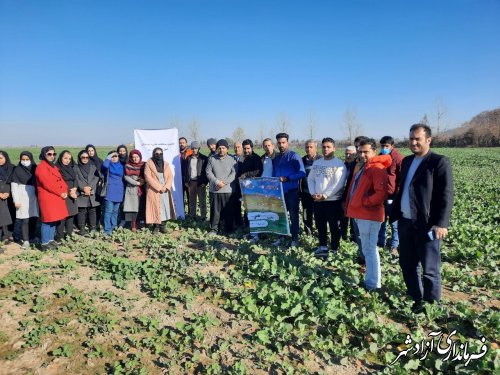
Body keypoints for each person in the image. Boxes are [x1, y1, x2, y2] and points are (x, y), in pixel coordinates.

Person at [391, 124, 454, 313]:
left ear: (428, 140)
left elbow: (446, 194)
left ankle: (432, 305)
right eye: (411, 138)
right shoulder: (408, 161)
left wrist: (441, 223)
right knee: (407, 264)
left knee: (430, 268)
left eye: (417, 138)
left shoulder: (438, 162)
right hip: (405, 221)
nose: (413, 142)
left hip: (426, 224)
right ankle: (415, 298)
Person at [345, 138, 391, 291]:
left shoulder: (377, 168)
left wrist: (365, 202)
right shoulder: (365, 167)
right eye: (360, 151)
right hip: (361, 213)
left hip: (369, 215)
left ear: (374, 152)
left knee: (370, 250)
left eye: (366, 152)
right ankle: (370, 281)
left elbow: (382, 193)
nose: (362, 154)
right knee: (367, 249)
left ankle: (373, 284)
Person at [307, 138, 347, 258]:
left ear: (334, 148)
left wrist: (325, 195)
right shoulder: (317, 163)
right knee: (320, 224)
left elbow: (338, 184)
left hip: (333, 201)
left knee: (334, 226)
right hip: (317, 201)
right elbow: (311, 179)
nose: (326, 149)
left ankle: (334, 248)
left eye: (328, 147)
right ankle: (323, 246)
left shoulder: (339, 164)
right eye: (324, 147)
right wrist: (313, 193)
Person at [272, 133, 306, 247]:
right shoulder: (276, 159)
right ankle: (281, 236)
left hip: (292, 192)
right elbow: (274, 175)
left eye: (283, 142)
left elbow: (302, 173)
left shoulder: (294, 156)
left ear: (287, 142)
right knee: (280, 215)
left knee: (293, 215)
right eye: (279, 143)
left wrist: (288, 178)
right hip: (279, 192)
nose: (281, 145)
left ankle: (294, 238)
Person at [35, 147, 69, 251]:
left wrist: (65, 191)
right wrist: (60, 192)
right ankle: (45, 243)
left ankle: (51, 240)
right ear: (44, 155)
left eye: (54, 154)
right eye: (49, 154)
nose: (52, 156)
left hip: (56, 197)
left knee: (54, 219)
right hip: (48, 197)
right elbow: (47, 184)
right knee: (47, 220)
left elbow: (61, 180)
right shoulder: (41, 167)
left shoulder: (53, 167)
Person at [377, 136, 404, 252]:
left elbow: (401, 177)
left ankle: (394, 245)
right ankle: (380, 243)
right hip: (381, 194)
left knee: (394, 222)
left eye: (386, 146)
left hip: (393, 195)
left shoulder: (398, 158)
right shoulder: (379, 157)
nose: (384, 148)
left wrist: (397, 193)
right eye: (382, 146)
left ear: (392, 146)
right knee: (381, 220)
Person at [206, 139, 237, 235]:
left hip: (228, 190)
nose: (221, 150)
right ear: (217, 149)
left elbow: (234, 173)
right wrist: (217, 182)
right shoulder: (212, 159)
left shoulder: (232, 159)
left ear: (227, 149)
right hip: (215, 190)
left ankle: (229, 230)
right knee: (215, 211)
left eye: (223, 148)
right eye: (219, 148)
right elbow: (208, 172)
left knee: (229, 211)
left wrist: (224, 183)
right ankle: (214, 229)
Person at [10, 151, 39, 249]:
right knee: (25, 219)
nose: (25, 161)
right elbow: (14, 186)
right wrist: (16, 200)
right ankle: (25, 240)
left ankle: (32, 237)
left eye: (27, 159)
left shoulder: (35, 168)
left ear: (31, 159)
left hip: (34, 197)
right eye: (23, 159)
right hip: (22, 197)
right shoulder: (17, 170)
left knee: (34, 218)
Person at [144, 148, 176, 234]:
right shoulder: (149, 163)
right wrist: (159, 187)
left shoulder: (165, 164)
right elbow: (148, 177)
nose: (159, 155)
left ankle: (163, 226)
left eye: (160, 154)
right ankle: (156, 227)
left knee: (165, 207)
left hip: (165, 189)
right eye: (156, 154)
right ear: (153, 154)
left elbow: (170, 176)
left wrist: (166, 186)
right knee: (155, 207)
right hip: (154, 189)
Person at [238, 139, 263, 238]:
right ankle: (251, 231)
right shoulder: (244, 158)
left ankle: (256, 234)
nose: (246, 150)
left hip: (254, 189)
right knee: (248, 210)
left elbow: (258, 171)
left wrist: (246, 174)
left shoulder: (256, 158)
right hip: (246, 188)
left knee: (254, 210)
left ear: (252, 148)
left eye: (248, 148)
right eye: (244, 148)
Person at [74, 150, 100, 235]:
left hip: (92, 192)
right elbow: (76, 179)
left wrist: (89, 187)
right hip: (81, 192)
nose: (85, 159)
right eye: (83, 157)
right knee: (81, 210)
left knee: (92, 210)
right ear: (79, 158)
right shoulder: (76, 168)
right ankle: (81, 228)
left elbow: (96, 178)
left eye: (87, 157)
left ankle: (92, 228)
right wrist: (83, 188)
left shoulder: (93, 167)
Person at [55, 150, 79, 240]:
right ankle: (59, 237)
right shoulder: (57, 168)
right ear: (61, 158)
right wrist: (69, 191)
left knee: (71, 215)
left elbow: (75, 179)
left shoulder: (71, 167)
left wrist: (75, 188)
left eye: (69, 158)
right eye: (65, 158)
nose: (67, 160)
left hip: (72, 194)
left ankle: (69, 235)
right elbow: (58, 183)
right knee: (62, 216)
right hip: (63, 195)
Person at [300, 140, 321, 235]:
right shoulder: (302, 160)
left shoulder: (321, 159)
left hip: (318, 192)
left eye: (311, 147)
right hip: (305, 191)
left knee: (318, 213)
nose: (308, 149)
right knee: (306, 212)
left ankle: (319, 231)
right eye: (307, 147)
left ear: (316, 148)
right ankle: (308, 231)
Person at [101, 151, 125, 235]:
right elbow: (104, 166)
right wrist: (108, 157)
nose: (114, 158)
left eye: (116, 156)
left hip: (119, 190)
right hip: (110, 190)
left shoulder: (121, 166)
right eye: (112, 156)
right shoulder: (108, 165)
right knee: (108, 211)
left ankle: (113, 226)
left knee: (115, 211)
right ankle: (107, 229)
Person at [184, 141, 208, 221]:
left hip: (200, 183)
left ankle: (203, 217)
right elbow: (186, 171)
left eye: (196, 148)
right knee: (192, 201)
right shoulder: (188, 158)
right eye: (193, 148)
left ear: (199, 149)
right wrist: (187, 182)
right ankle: (192, 216)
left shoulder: (204, 158)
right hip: (191, 182)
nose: (194, 150)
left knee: (202, 201)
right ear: (191, 149)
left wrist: (205, 182)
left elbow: (206, 172)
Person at [123, 149, 146, 232]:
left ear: (140, 157)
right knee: (133, 208)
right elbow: (126, 177)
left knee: (142, 206)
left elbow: (147, 174)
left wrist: (143, 180)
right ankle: (133, 225)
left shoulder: (144, 165)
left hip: (143, 188)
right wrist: (137, 183)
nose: (135, 159)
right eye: (133, 157)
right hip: (132, 188)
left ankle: (142, 223)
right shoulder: (128, 165)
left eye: (137, 157)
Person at [340, 145, 358, 241]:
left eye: (350, 154)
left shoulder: (357, 166)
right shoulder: (342, 166)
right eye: (346, 154)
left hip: (353, 196)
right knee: (343, 218)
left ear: (355, 155)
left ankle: (353, 237)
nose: (348, 156)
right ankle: (343, 236)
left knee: (353, 219)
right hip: (342, 195)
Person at [0, 151, 14, 251]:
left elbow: (15, 181)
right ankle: (2, 236)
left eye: (1, 158)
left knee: (10, 215)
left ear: (6, 158)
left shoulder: (12, 168)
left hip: (10, 195)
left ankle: (9, 235)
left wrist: (9, 193)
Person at [179, 137, 193, 210]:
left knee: (190, 197)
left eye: (183, 142)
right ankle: (181, 212)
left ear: (186, 143)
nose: (181, 144)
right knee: (180, 197)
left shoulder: (191, 152)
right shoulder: (175, 153)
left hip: (188, 179)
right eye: (180, 143)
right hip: (179, 179)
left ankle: (191, 214)